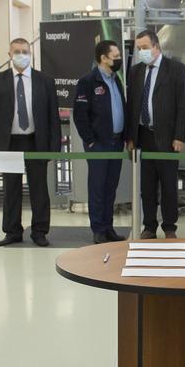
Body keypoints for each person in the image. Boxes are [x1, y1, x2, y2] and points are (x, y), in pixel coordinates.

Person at [0, 38, 62, 246]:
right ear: (9, 55)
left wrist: (54, 147)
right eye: (17, 51)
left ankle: (39, 231)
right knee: (11, 189)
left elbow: (53, 117)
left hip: (36, 142)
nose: (21, 55)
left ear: (31, 54)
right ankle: (12, 231)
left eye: (25, 51)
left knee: (39, 189)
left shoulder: (44, 81)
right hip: (8, 143)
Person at [126, 29, 185, 238]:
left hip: (167, 137)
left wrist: (180, 136)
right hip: (143, 135)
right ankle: (150, 226)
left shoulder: (175, 69)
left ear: (156, 47)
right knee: (147, 186)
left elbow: (184, 105)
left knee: (169, 185)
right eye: (138, 49)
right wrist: (131, 137)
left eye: (145, 48)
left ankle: (170, 227)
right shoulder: (135, 72)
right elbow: (132, 106)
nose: (141, 52)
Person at [74, 39, 128, 243]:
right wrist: (89, 141)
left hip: (116, 142)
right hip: (98, 144)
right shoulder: (88, 81)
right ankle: (98, 229)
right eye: (115, 56)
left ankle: (108, 227)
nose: (119, 59)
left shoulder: (116, 80)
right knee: (97, 187)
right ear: (103, 58)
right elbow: (80, 115)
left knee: (110, 187)